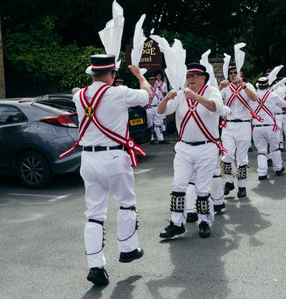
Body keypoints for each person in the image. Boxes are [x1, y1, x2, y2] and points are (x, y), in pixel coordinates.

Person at [72, 54, 152, 286]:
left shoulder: (79, 96)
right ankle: (128, 249)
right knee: (126, 202)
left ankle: (95, 267)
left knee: (94, 214)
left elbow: (78, 92)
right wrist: (139, 76)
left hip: (88, 158)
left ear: (92, 73)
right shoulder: (119, 93)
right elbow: (147, 96)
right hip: (114, 156)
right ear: (112, 74)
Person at [157, 63, 226, 239]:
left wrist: (195, 97)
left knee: (202, 188)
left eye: (195, 75)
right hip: (184, 147)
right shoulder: (180, 94)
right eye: (189, 76)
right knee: (178, 185)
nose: (191, 79)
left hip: (207, 146)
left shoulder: (212, 91)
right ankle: (176, 223)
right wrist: (166, 98)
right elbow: (160, 112)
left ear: (203, 78)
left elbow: (216, 108)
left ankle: (203, 221)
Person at [219, 63, 258, 198]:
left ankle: (242, 186)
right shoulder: (226, 88)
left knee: (242, 158)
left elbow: (255, 98)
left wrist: (243, 86)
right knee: (227, 155)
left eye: (236, 72)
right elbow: (216, 102)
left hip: (244, 125)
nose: (233, 75)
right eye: (231, 73)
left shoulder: (248, 86)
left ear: (241, 74)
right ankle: (229, 182)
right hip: (228, 125)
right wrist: (219, 87)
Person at [250, 76, 286, 180]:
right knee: (274, 148)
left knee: (261, 150)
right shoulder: (272, 95)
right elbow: (284, 104)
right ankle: (278, 168)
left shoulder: (253, 96)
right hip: (270, 126)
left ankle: (262, 173)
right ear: (268, 85)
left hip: (257, 126)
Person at [146, 76, 169, 144]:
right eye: (150, 80)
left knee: (158, 123)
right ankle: (151, 139)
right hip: (149, 108)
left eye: (153, 80)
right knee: (150, 124)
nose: (152, 81)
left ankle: (160, 139)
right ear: (148, 81)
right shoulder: (146, 88)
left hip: (156, 107)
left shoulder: (157, 89)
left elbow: (160, 97)